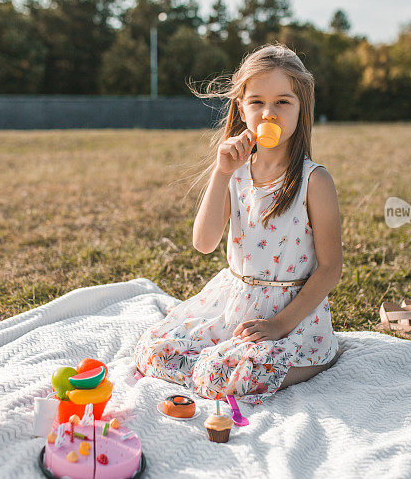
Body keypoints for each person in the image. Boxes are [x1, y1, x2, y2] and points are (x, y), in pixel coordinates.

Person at [133, 43, 343, 404]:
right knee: (156, 352)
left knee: (219, 377)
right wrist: (221, 172)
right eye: (257, 101)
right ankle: (228, 358)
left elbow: (330, 268)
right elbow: (204, 242)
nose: (268, 114)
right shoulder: (235, 172)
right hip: (234, 303)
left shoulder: (314, 180)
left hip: (290, 314)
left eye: (282, 102)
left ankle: (319, 358)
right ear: (241, 108)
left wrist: (279, 325)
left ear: (301, 108)